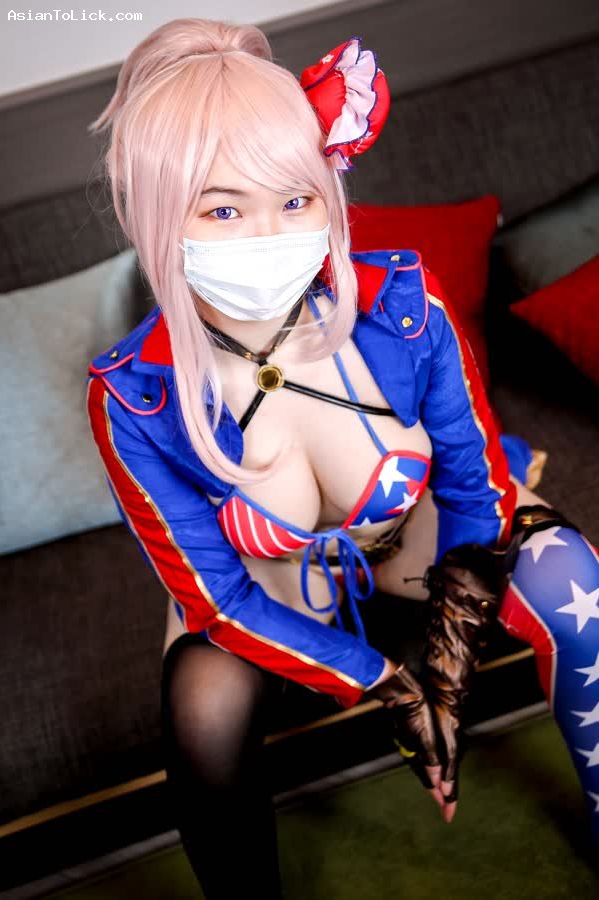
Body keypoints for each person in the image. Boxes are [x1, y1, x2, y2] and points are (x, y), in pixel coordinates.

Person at [85, 17, 599, 898]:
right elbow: (220, 598)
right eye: (223, 207)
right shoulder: (134, 398)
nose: (267, 233)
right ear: (160, 218)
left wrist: (448, 669)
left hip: (411, 544)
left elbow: (473, 483)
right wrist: (390, 687)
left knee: (573, 576)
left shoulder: (403, 305)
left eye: (295, 198)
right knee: (204, 706)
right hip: (265, 588)